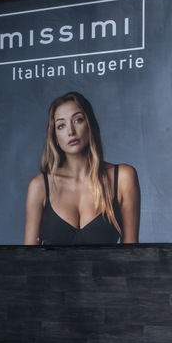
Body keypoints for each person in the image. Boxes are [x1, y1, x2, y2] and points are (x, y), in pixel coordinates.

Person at [24, 92, 140, 245]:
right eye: (61, 125)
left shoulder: (123, 178)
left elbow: (132, 252)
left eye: (78, 120)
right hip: (51, 270)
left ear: (90, 124)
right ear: (55, 137)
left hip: (109, 270)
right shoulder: (40, 186)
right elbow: (28, 260)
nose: (71, 131)